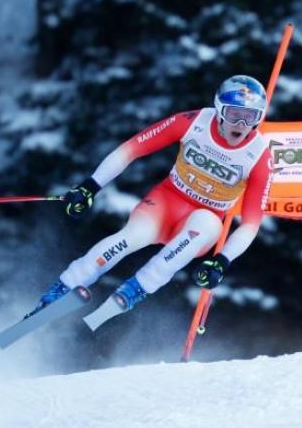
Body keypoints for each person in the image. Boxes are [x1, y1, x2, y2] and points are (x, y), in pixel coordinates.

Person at [25, 75, 273, 328]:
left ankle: (118, 303)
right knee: (130, 237)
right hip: (166, 201)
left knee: (208, 225)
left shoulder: (259, 156)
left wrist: (222, 261)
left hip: (201, 221)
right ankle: (54, 298)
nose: (241, 124)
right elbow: (131, 149)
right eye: (234, 115)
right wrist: (91, 186)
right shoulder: (193, 121)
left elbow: (251, 224)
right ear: (219, 109)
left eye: (251, 117)